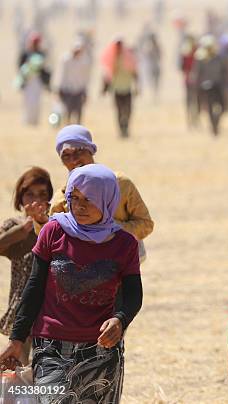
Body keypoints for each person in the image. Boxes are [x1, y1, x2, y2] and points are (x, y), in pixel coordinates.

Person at [0, 164, 143, 403]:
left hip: (102, 352)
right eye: (74, 198)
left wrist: (120, 318)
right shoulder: (53, 231)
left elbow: (133, 294)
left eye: (89, 199)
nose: (80, 206)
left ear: (107, 200)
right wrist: (16, 340)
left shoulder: (125, 244)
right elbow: (34, 287)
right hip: (52, 348)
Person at [46, 125, 154, 260]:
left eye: (79, 151)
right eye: (66, 155)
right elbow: (49, 238)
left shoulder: (120, 184)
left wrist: (109, 229)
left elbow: (146, 224)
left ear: (91, 151)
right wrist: (39, 221)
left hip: (124, 260)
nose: (74, 160)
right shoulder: (62, 197)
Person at [0, 168, 53, 366]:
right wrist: (22, 230)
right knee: (19, 364)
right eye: (29, 194)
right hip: (21, 305)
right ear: (20, 197)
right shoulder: (14, 225)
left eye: (42, 194)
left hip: (49, 304)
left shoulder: (54, 226)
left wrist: (42, 224)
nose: (35, 200)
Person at [101, 38, 138, 138]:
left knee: (128, 110)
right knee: (119, 111)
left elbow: (135, 72)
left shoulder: (128, 58)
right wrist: (104, 89)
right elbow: (108, 76)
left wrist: (137, 86)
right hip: (117, 90)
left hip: (127, 88)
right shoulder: (112, 59)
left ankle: (126, 127)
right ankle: (122, 130)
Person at [192, 35, 226, 135]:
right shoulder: (200, 58)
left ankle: (216, 122)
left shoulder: (218, 57)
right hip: (206, 87)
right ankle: (213, 126)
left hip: (217, 85)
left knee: (222, 106)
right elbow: (197, 73)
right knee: (210, 108)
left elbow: (224, 70)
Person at [16, 31, 51, 126]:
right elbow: (19, 67)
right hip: (28, 81)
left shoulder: (42, 54)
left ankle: (35, 121)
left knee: (36, 101)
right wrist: (27, 70)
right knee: (27, 101)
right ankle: (27, 121)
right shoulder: (25, 53)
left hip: (38, 81)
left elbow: (45, 68)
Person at [57, 39, 92, 124]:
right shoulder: (66, 60)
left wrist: (85, 91)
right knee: (68, 111)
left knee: (79, 112)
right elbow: (62, 75)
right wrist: (59, 88)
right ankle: (68, 127)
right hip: (67, 89)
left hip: (79, 90)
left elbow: (86, 78)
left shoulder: (85, 61)